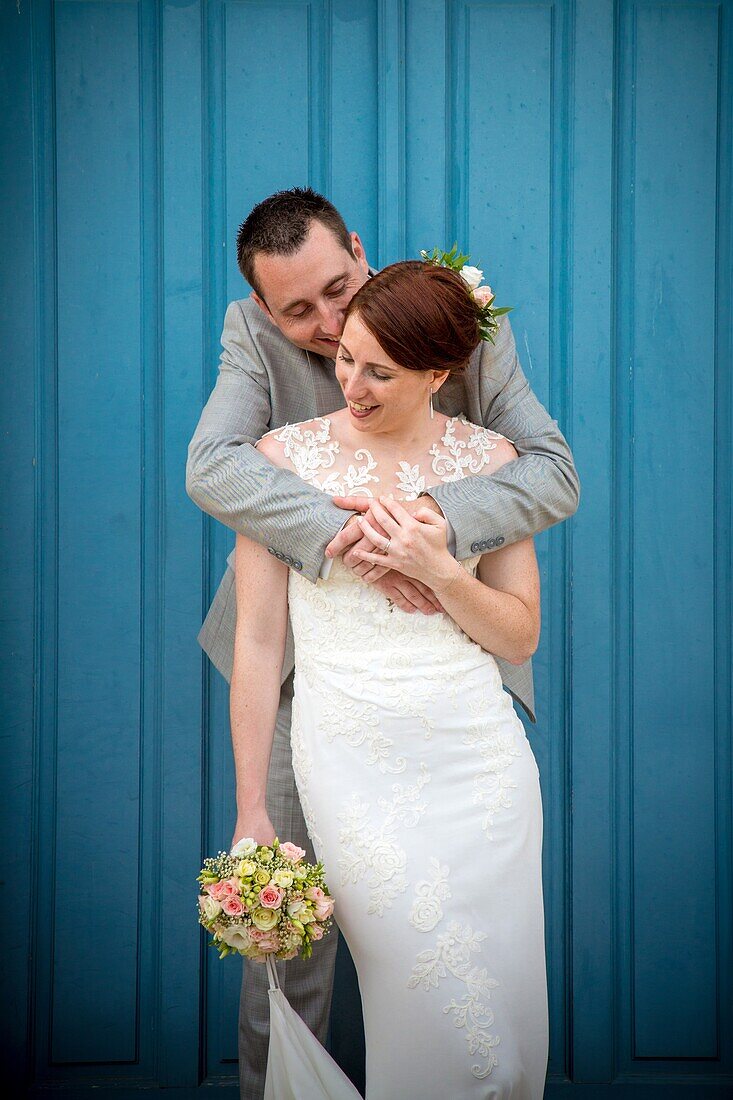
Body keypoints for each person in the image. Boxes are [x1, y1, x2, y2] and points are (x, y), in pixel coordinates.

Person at [186, 188, 579, 1098]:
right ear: (265, 309)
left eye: (337, 291)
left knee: (488, 1009)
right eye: (301, 315)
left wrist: (432, 533)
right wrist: (349, 535)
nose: (327, 330)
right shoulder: (253, 344)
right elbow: (213, 468)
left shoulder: (454, 323)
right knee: (283, 951)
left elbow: (550, 475)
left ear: (357, 250)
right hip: (306, 682)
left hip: (459, 713)